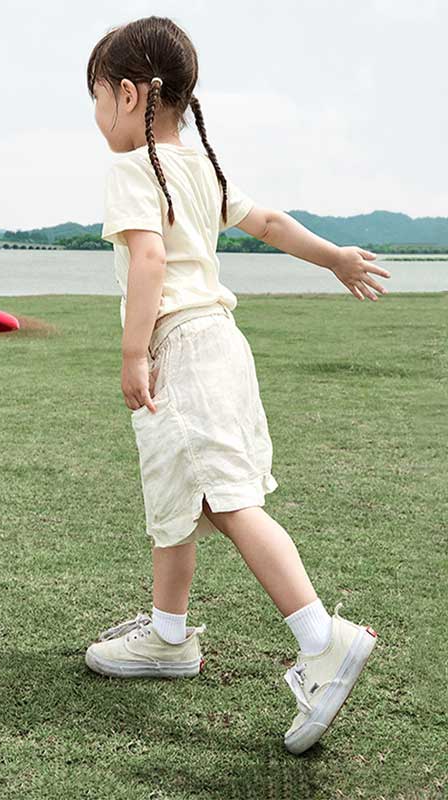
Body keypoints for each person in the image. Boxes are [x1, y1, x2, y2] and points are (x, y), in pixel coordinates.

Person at [83, 17, 387, 754]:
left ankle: (321, 638)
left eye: (95, 100)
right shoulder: (204, 168)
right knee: (183, 501)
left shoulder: (134, 170)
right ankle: (167, 637)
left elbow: (149, 263)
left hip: (181, 346)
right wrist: (334, 259)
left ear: (128, 95)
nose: (95, 118)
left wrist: (132, 354)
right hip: (224, 345)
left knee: (225, 500)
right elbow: (273, 221)